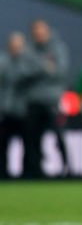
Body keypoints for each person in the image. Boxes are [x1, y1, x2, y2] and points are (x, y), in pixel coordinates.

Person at [24, 19, 71, 178]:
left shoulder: (58, 48)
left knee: (59, 135)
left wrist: (39, 68)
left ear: (48, 31)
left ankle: (67, 168)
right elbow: (23, 73)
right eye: (36, 31)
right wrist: (45, 67)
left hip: (52, 101)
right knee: (32, 138)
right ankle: (34, 170)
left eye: (42, 30)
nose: (39, 34)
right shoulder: (28, 50)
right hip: (33, 101)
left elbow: (59, 72)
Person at [0, 32, 38, 179]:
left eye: (19, 44)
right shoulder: (4, 60)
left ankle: (29, 173)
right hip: (6, 110)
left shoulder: (29, 61)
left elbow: (35, 73)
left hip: (25, 111)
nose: (15, 47)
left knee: (29, 145)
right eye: (13, 44)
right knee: (3, 145)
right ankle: (3, 173)